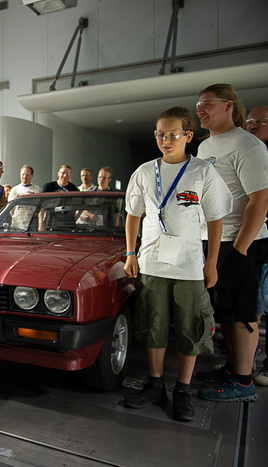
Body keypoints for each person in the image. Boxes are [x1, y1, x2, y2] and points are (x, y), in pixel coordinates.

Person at [123, 106, 232, 422]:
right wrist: (131, 253)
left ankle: (182, 388)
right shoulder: (145, 171)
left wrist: (211, 264)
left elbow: (215, 219)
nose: (165, 140)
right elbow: (133, 214)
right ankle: (156, 384)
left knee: (190, 327)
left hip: (188, 267)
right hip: (152, 264)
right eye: (160, 134)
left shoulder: (202, 171)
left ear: (188, 136)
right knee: (153, 325)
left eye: (172, 134)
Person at [193, 84, 268, 402]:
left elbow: (260, 200)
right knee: (224, 308)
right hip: (213, 239)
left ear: (228, 105)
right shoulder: (207, 146)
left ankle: (243, 380)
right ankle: (234, 367)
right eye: (198, 104)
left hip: (240, 241)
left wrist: (240, 248)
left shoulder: (247, 145)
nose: (200, 109)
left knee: (242, 311)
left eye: (207, 103)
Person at [246, 105, 268, 387]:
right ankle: (244, 360)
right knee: (254, 303)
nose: (253, 126)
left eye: (260, 122)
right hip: (255, 239)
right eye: (250, 122)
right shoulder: (250, 153)